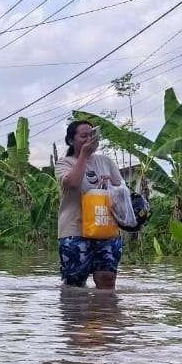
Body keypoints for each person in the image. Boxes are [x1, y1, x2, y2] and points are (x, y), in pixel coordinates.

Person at [55, 119, 125, 289]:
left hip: (105, 229)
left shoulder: (106, 162)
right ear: (71, 140)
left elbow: (122, 190)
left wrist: (112, 186)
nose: (89, 139)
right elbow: (73, 183)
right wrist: (84, 156)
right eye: (83, 136)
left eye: (92, 135)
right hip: (75, 230)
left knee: (107, 278)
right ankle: (76, 314)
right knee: (75, 285)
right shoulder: (64, 163)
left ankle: (105, 315)